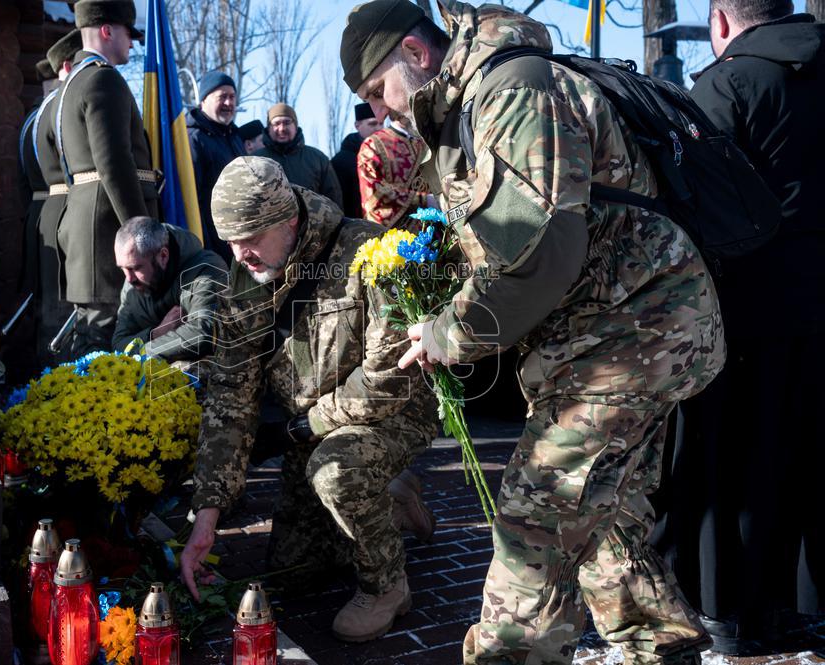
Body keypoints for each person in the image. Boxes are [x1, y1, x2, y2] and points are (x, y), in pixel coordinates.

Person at [340, 1, 725, 663]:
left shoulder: (510, 90)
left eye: (380, 91)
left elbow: (540, 253)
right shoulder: (484, 95)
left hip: (631, 330)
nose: (384, 111)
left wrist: (451, 329)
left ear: (415, 51)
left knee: (534, 521)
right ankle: (660, 646)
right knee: (604, 517)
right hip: (624, 328)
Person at [178, 156, 437, 643]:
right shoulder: (242, 282)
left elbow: (388, 377)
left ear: (290, 220)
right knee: (295, 573)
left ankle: (386, 587)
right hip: (314, 430)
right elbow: (230, 399)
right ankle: (391, 499)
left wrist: (311, 423)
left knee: (339, 474)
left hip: (392, 414)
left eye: (251, 239)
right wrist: (207, 516)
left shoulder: (367, 251)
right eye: (230, 242)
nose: (240, 256)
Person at [649, 0, 825, 652]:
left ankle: (733, 616)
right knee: (809, 461)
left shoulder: (724, 85)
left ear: (720, 21)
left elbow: (690, 206)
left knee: (731, 467)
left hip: (745, 309)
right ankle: (809, 606)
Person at [55, 0, 158, 358]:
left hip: (89, 228)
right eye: (128, 33)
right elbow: (114, 164)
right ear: (107, 30)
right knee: (107, 348)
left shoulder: (73, 82)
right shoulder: (103, 79)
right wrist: (140, 233)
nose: (132, 43)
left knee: (92, 343)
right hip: (108, 231)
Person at [31, 30, 82, 364]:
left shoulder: (43, 110)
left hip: (49, 211)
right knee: (63, 313)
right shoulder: (61, 108)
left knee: (53, 312)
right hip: (67, 211)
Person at [112, 216, 226, 362]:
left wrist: (142, 353)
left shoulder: (206, 270)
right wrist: (156, 333)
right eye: (122, 268)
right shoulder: (132, 287)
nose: (129, 279)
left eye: (135, 267)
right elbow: (118, 344)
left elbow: (204, 332)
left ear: (163, 256)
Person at [186, 71, 246, 263]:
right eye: (222, 97)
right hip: (212, 247)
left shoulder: (234, 138)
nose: (229, 103)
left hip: (241, 242)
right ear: (204, 100)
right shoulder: (193, 140)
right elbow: (192, 199)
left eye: (232, 97)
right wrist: (206, 250)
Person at [255, 103, 344, 208]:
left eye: (287, 122)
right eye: (276, 123)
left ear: (295, 126)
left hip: (311, 223)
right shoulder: (255, 160)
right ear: (269, 128)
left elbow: (334, 199)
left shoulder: (318, 159)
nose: (282, 128)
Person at [357, 119, 428, 229]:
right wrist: (424, 200)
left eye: (379, 123)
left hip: (434, 230)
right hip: (394, 234)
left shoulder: (426, 141)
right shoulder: (373, 144)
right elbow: (374, 194)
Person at [331, 103, 380, 218]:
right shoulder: (340, 162)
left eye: (381, 123)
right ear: (357, 125)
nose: (378, 128)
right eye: (372, 124)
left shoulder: (390, 155)